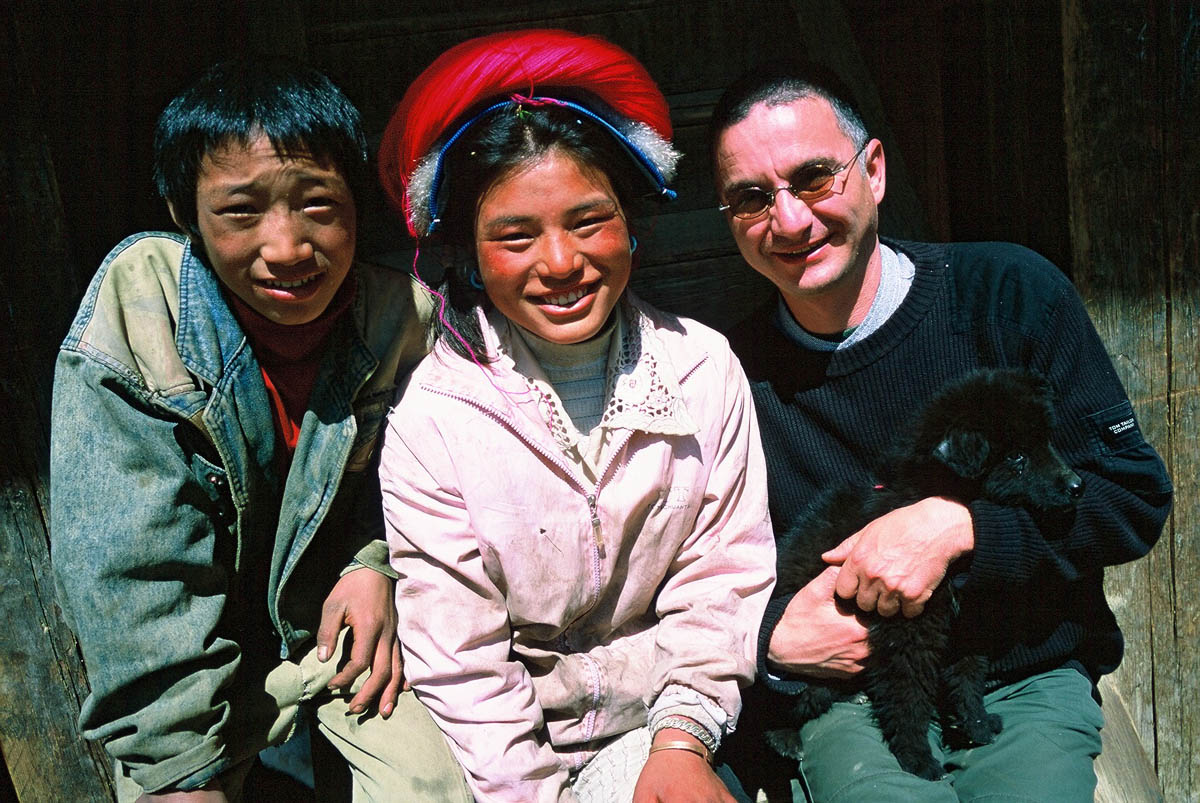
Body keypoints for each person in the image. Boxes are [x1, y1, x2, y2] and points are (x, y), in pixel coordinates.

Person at [709, 61, 1173, 801]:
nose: (789, 221)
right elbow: (708, 574)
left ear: (875, 171)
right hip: (853, 692)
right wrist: (769, 642)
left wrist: (959, 528)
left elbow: (1132, 497)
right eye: (752, 197)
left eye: (815, 178)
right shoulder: (726, 377)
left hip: (1021, 676)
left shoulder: (1008, 296)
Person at [50, 58, 470, 802]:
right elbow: (135, 570)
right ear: (185, 214)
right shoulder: (146, 308)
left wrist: (376, 562)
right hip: (194, 663)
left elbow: (434, 485)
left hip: (344, 632)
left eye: (318, 204)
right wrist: (179, 764)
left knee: (436, 787)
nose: (286, 247)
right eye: (241, 212)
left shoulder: (403, 319)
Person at [375, 29, 776, 803]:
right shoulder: (434, 420)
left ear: (632, 220)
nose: (561, 263)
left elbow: (721, 579)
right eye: (515, 236)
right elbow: (462, 662)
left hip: (657, 725)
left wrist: (681, 740)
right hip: (494, 760)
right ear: (468, 252)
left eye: (588, 221)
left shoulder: (703, 370)